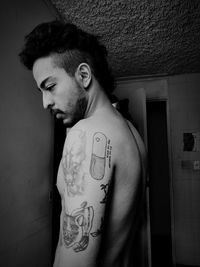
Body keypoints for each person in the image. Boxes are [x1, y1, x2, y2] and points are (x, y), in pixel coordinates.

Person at [19, 20, 147, 267]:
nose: (45, 102)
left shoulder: (87, 135)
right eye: (41, 91)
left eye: (50, 86)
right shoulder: (129, 130)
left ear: (84, 75)